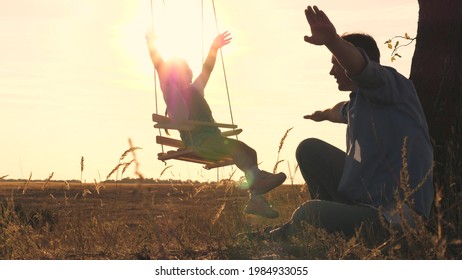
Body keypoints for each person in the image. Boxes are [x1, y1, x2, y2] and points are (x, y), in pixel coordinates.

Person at [267, 6, 434, 239]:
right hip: (364, 204)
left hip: (393, 220)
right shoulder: (359, 103)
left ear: (351, 60)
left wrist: (332, 40)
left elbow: (361, 68)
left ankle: (305, 230)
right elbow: (340, 111)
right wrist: (322, 114)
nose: (332, 71)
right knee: (309, 149)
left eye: (336, 62)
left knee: (308, 213)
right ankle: (325, 229)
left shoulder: (391, 84)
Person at [146, 30, 286, 218]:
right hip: (198, 142)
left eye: (187, 73)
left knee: (250, 152)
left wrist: (214, 48)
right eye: (180, 74)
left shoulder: (195, 89)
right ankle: (258, 184)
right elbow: (160, 67)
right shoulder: (172, 94)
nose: (186, 77)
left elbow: (207, 69)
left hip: (213, 140)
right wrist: (151, 45)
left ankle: (256, 199)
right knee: (236, 148)